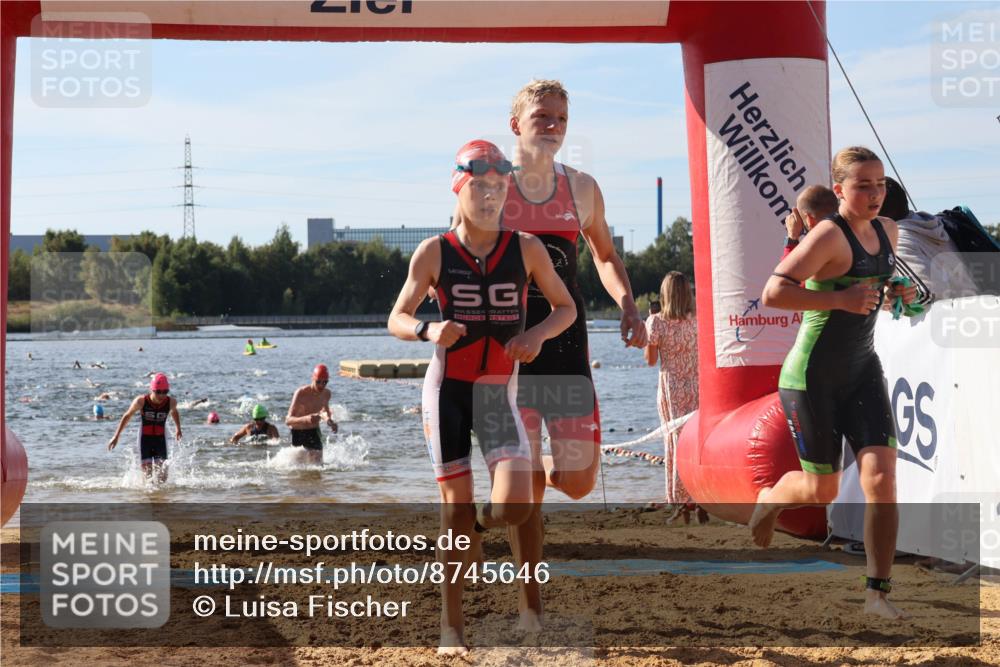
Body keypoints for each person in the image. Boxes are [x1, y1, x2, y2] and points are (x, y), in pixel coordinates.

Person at [388, 139, 576, 655]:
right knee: (453, 507)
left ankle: (478, 527)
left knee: (516, 504)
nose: (490, 196)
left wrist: (536, 335)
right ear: (459, 188)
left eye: (498, 187)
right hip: (447, 392)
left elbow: (565, 308)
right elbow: (396, 317)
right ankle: (452, 627)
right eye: (479, 187)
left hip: (497, 394)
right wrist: (428, 330)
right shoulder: (434, 251)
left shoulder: (526, 248)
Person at [751, 146, 917, 620]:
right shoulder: (827, 234)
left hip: (863, 370)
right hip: (812, 376)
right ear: (840, 190)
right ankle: (770, 498)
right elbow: (774, 292)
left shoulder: (889, 231)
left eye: (880, 184)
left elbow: (875, 293)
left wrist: (898, 294)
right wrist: (840, 300)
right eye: (863, 186)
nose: (875, 194)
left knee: (881, 480)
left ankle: (877, 594)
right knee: (821, 490)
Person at [643, 271, 706, 524]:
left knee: (674, 443)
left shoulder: (656, 322)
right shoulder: (697, 319)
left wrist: (647, 331)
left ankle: (679, 502)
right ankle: (699, 498)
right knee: (697, 442)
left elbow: (650, 361)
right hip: (697, 385)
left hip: (671, 387)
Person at [107, 372, 181, 482]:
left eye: (165, 392)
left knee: (163, 477)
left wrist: (178, 428)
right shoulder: (141, 401)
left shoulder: (171, 402)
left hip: (161, 439)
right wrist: (116, 436)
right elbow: (127, 416)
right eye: (158, 392)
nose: (161, 395)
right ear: (152, 390)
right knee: (148, 476)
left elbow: (174, 412)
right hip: (145, 439)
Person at [285, 364, 338, 464]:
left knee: (318, 467)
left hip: (314, 432)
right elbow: (288, 420)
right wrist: (306, 419)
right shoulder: (301, 393)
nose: (321, 385)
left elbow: (324, 412)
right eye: (318, 382)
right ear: (312, 379)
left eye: (325, 382)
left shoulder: (327, 394)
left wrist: (330, 422)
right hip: (298, 433)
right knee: (297, 469)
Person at [782, 184, 840, 260]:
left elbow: (790, 266)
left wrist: (792, 238)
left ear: (810, 220)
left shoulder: (819, 255)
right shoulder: (850, 233)